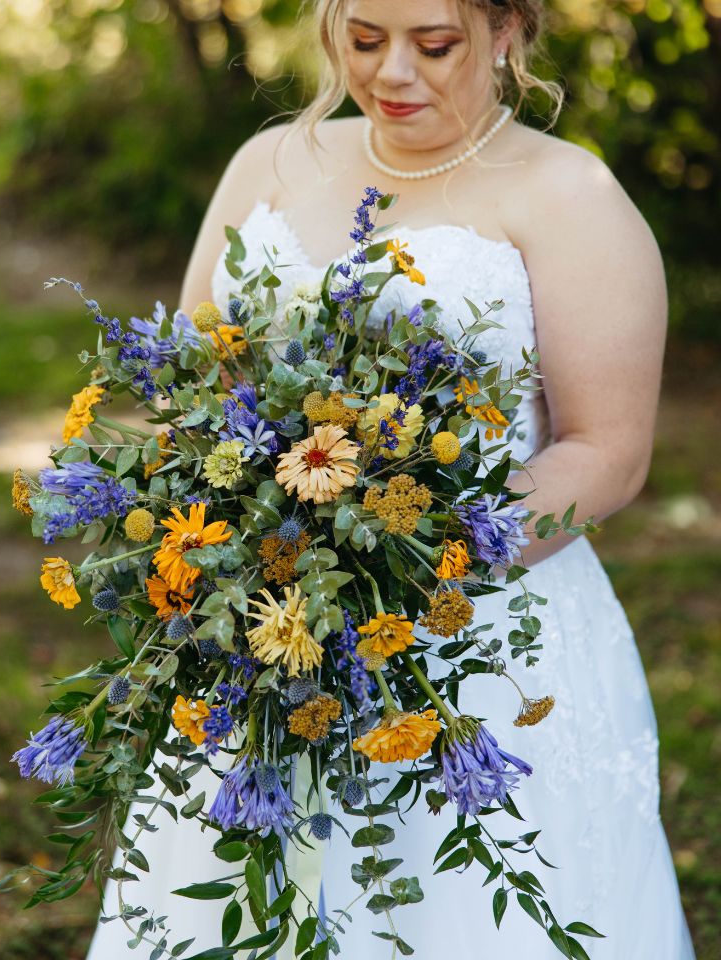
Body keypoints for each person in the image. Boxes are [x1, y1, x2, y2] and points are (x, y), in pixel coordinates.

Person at [86, 1, 696, 957]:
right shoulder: (270, 165)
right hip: (267, 636)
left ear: (506, 29)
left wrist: (405, 570)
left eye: (434, 44)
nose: (393, 74)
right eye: (365, 40)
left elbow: (607, 451)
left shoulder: (571, 195)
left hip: (478, 642)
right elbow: (199, 380)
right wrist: (231, 542)